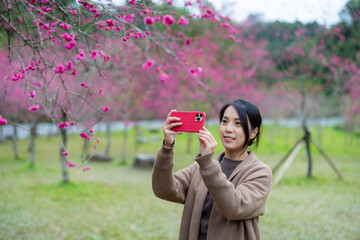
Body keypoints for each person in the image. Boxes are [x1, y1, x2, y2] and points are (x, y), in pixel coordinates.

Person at [152, 99, 272, 240]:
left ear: (253, 132)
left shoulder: (259, 172)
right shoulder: (200, 167)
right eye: (224, 121)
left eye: (238, 123)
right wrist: (167, 147)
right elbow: (164, 190)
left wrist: (207, 163)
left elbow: (234, 207)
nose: (228, 128)